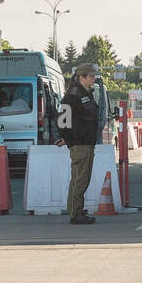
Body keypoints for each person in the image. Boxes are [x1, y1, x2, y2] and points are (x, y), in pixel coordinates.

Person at [58, 64, 100, 224]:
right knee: (80, 179)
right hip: (79, 143)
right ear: (82, 78)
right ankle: (76, 213)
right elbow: (62, 119)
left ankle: (77, 210)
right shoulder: (74, 95)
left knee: (82, 178)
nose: (94, 78)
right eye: (91, 76)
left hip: (86, 142)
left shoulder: (85, 93)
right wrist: (67, 139)